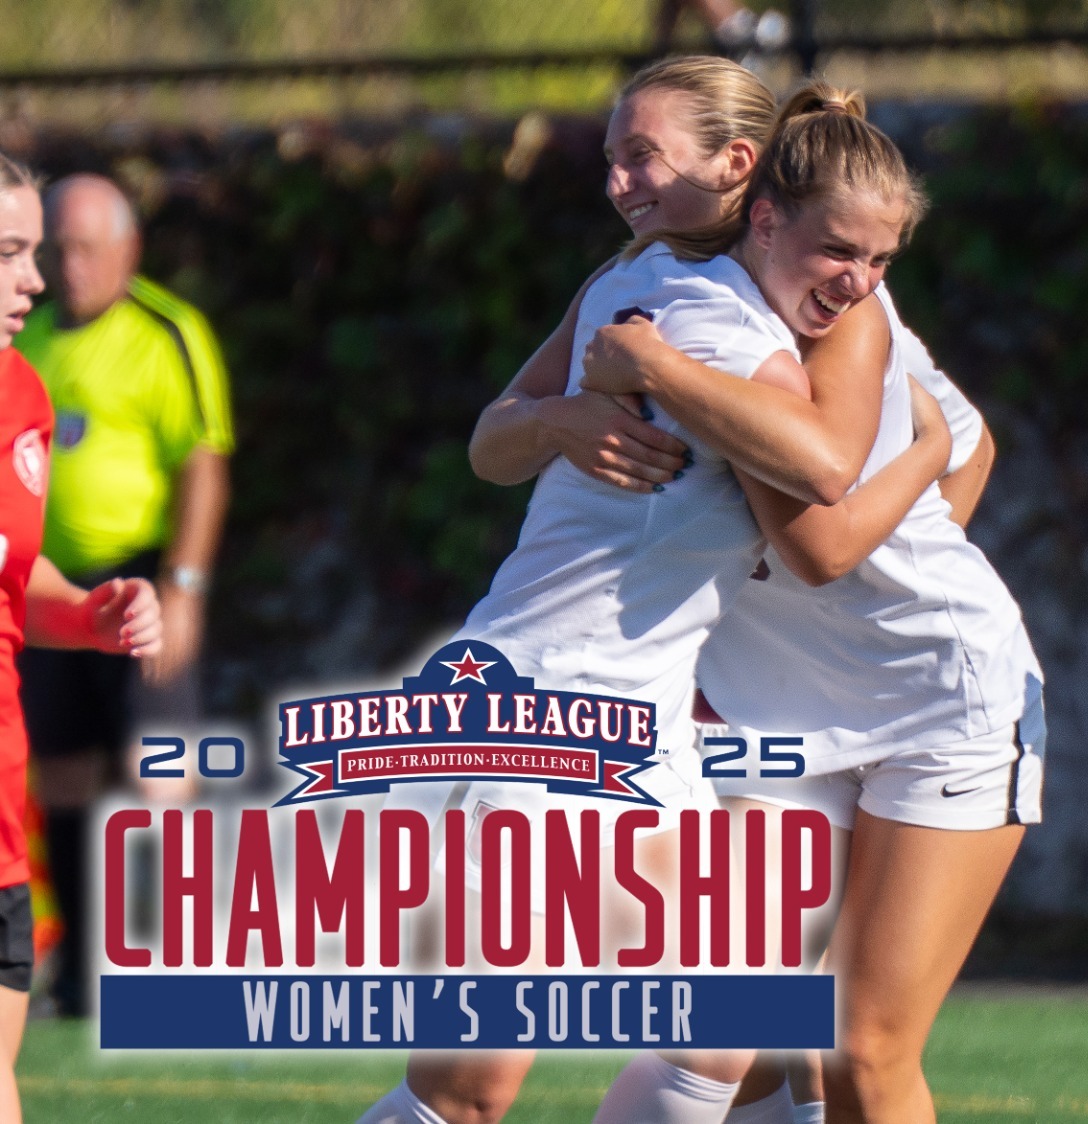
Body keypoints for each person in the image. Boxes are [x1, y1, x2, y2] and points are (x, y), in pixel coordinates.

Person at [357, 65, 947, 1124]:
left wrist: (577, 404)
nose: (619, 181)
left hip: (634, 719)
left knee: (720, 1032)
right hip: (536, 713)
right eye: (614, 158)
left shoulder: (667, 279)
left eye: (642, 156)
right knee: (468, 1091)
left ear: (736, 167)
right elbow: (822, 471)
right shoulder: (697, 308)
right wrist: (569, 414)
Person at [573, 85, 1040, 1124]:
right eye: (839, 251)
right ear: (766, 217)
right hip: (774, 708)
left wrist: (900, 569)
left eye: (879, 261)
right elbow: (500, 431)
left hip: (941, 703)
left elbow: (878, 508)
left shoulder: (853, 324)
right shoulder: (671, 294)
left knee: (861, 1050)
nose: (858, 281)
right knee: (731, 1032)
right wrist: (564, 419)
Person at [13, 172, 233, 1016]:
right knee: (63, 775)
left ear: (128, 250)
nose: (66, 268)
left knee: (160, 769)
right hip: (43, 589)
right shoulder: (26, 337)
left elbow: (203, 464)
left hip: (138, 578)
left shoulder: (165, 331)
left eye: (84, 249)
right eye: (53, 250)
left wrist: (183, 586)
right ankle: (79, 972)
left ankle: (186, 962)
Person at [0, 153, 162, 1124]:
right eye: (8, 253)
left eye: (33, 252)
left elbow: (16, 572)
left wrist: (87, 612)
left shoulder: (20, 392)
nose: (33, 279)